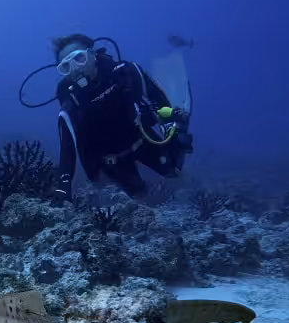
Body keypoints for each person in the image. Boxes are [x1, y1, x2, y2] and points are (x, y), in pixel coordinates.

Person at [50, 34, 193, 202]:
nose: (75, 69)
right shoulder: (70, 97)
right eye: (66, 66)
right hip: (110, 159)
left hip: (140, 139)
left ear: (92, 54)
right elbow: (67, 144)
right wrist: (63, 184)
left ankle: (179, 130)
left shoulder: (126, 73)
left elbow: (159, 101)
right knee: (133, 199)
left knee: (173, 171)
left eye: (79, 58)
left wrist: (173, 129)